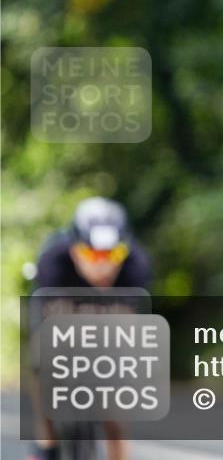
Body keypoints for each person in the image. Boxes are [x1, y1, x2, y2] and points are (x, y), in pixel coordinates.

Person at [27, 197, 152, 460]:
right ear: (74, 249)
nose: (102, 266)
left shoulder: (136, 267)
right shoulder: (52, 263)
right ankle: (46, 440)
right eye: (91, 255)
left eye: (113, 255)